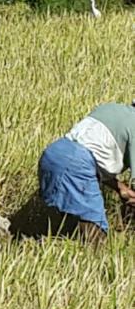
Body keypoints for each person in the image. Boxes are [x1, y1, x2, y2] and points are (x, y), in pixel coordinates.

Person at [38, 101, 135, 242]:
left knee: (71, 227)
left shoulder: (111, 108)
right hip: (75, 166)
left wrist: (121, 188)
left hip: (53, 155)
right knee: (95, 237)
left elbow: (93, 154)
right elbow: (83, 158)